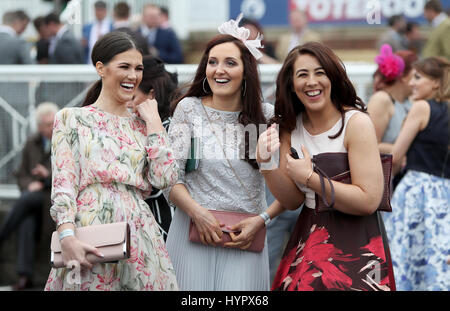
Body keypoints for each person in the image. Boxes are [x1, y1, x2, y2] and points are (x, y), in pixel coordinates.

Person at [44, 31, 179, 291]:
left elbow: (165, 179)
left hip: (140, 234)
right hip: (89, 231)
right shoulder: (72, 118)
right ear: (101, 68)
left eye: (138, 68)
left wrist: (153, 123)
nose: (133, 75)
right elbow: (64, 183)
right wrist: (67, 235)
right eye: (124, 67)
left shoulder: (143, 125)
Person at [258, 42, 395, 291]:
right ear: (291, 84)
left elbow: (368, 200)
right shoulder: (289, 128)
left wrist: (311, 178)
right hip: (309, 237)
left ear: (332, 77)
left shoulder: (356, 123)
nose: (312, 82)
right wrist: (265, 162)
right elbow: (292, 201)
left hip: (357, 241)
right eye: (302, 75)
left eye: (319, 73)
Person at [162, 16, 285, 290]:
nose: (220, 70)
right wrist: (198, 214)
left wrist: (262, 220)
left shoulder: (265, 117)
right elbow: (170, 178)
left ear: (246, 71)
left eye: (230, 62)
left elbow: (287, 189)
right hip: (191, 231)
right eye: (213, 62)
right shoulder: (189, 110)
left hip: (245, 237)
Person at [383, 56, 450, 291]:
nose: (411, 82)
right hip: (445, 196)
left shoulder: (422, 107)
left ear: (435, 82)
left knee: (405, 262)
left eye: (418, 77)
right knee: (437, 264)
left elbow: (397, 154)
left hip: (416, 191)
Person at [0, 102, 58, 290]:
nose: (52, 127)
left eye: (53, 123)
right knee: (26, 221)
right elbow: (21, 174)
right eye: (48, 124)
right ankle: (25, 277)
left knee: (26, 199)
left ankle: (1, 235)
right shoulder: (31, 142)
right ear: (39, 126)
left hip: (51, 197)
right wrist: (30, 184)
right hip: (34, 198)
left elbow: (68, 172)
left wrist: (46, 177)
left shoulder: (63, 139)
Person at [131, 55, 179, 239]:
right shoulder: (135, 126)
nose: (128, 102)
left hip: (162, 228)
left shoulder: (171, 128)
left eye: (133, 95)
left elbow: (159, 184)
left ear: (151, 94)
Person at [368, 45, 418, 189]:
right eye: (416, 75)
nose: (418, 81)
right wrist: (406, 150)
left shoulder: (409, 102)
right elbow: (370, 145)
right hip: (384, 183)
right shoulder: (382, 100)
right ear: (402, 76)